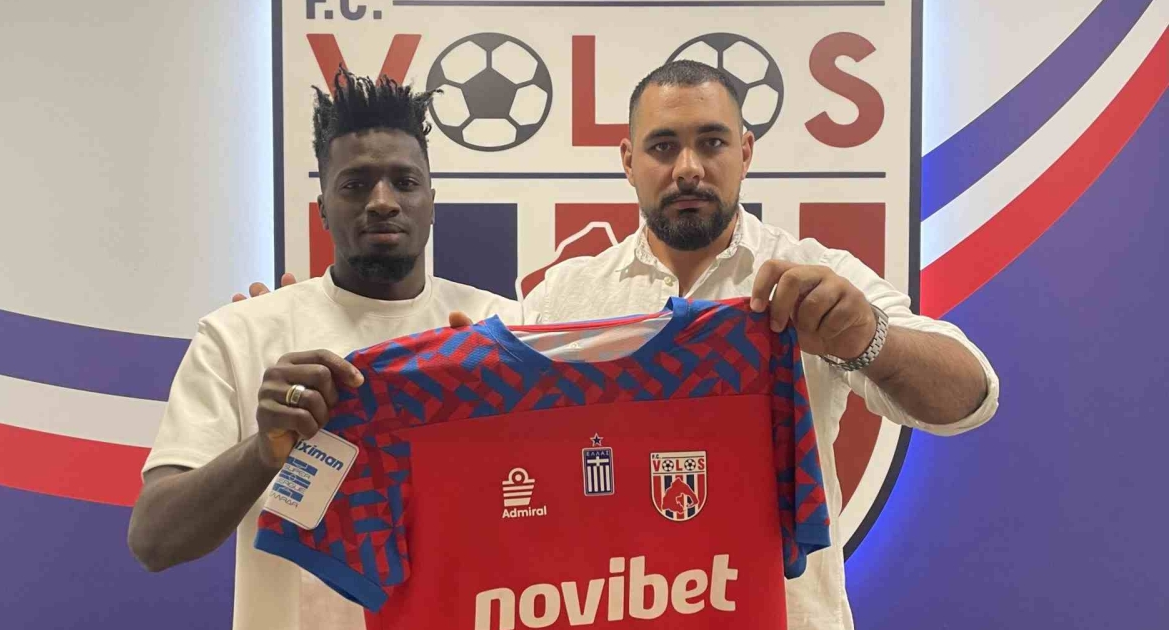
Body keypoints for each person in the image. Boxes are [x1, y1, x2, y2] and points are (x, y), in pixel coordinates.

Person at [238, 61, 999, 629]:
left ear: (746, 152)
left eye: (711, 142)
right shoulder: (561, 298)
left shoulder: (811, 278)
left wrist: (865, 337)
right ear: (629, 160)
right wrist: (461, 396)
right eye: (664, 146)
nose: (689, 168)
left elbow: (972, 397)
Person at [127, 68, 519, 630]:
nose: (382, 201)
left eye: (404, 182)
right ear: (322, 208)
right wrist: (263, 450)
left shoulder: (503, 331)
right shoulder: (239, 335)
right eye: (355, 184)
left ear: (431, 202)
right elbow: (154, 540)